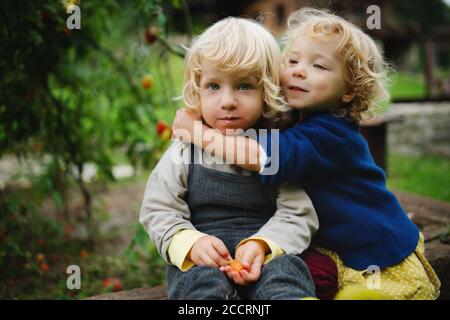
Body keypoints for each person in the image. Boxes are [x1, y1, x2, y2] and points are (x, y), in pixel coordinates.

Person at [172, 8, 441, 299]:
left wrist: (198, 133)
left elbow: (262, 156)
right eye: (293, 60)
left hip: (374, 252)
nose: (299, 70)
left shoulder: (332, 134)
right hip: (330, 246)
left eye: (319, 66)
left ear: (349, 90)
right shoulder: (300, 118)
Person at [140, 17, 319, 300]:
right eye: (213, 86)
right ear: (196, 88)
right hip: (204, 258)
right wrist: (189, 243)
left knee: (287, 274)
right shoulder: (186, 149)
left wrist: (264, 245)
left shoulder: (272, 149)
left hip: (264, 257)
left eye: (244, 86)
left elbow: (298, 213)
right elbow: (158, 209)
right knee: (200, 284)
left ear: (267, 90)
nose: (227, 101)